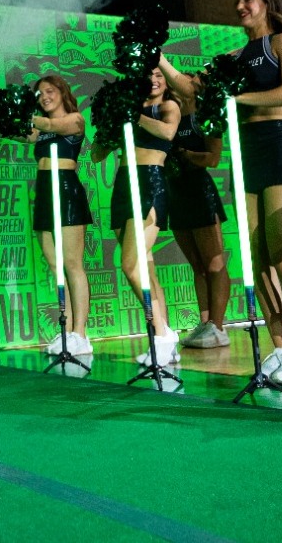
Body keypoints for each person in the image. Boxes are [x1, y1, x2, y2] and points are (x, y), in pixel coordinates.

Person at [164, 0, 282, 385]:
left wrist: (235, 100)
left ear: (266, 2)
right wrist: (158, 59)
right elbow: (193, 90)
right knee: (258, 259)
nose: (239, 6)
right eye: (235, 0)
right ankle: (279, 348)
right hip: (246, 154)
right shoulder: (230, 56)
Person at [0, 74, 93, 355]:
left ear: (62, 93)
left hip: (66, 190)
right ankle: (67, 329)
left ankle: (81, 334)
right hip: (45, 193)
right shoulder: (42, 131)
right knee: (55, 264)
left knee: (72, 264)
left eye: (49, 91)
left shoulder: (74, 120)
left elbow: (48, 124)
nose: (45, 97)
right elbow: (11, 131)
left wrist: (22, 109)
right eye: (39, 94)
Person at [90, 66, 180, 365]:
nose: (154, 81)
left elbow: (168, 131)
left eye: (159, 75)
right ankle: (165, 338)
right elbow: (96, 154)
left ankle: (162, 334)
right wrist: (110, 125)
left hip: (150, 182)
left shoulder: (168, 106)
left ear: (166, 81)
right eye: (148, 76)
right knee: (147, 268)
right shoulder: (128, 110)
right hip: (123, 185)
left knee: (130, 264)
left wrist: (132, 116)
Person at [166, 75, 234, 350]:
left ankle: (218, 326)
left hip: (200, 192)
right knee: (197, 265)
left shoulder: (206, 115)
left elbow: (213, 158)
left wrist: (186, 155)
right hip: (176, 193)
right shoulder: (167, 114)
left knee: (214, 262)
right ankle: (205, 323)